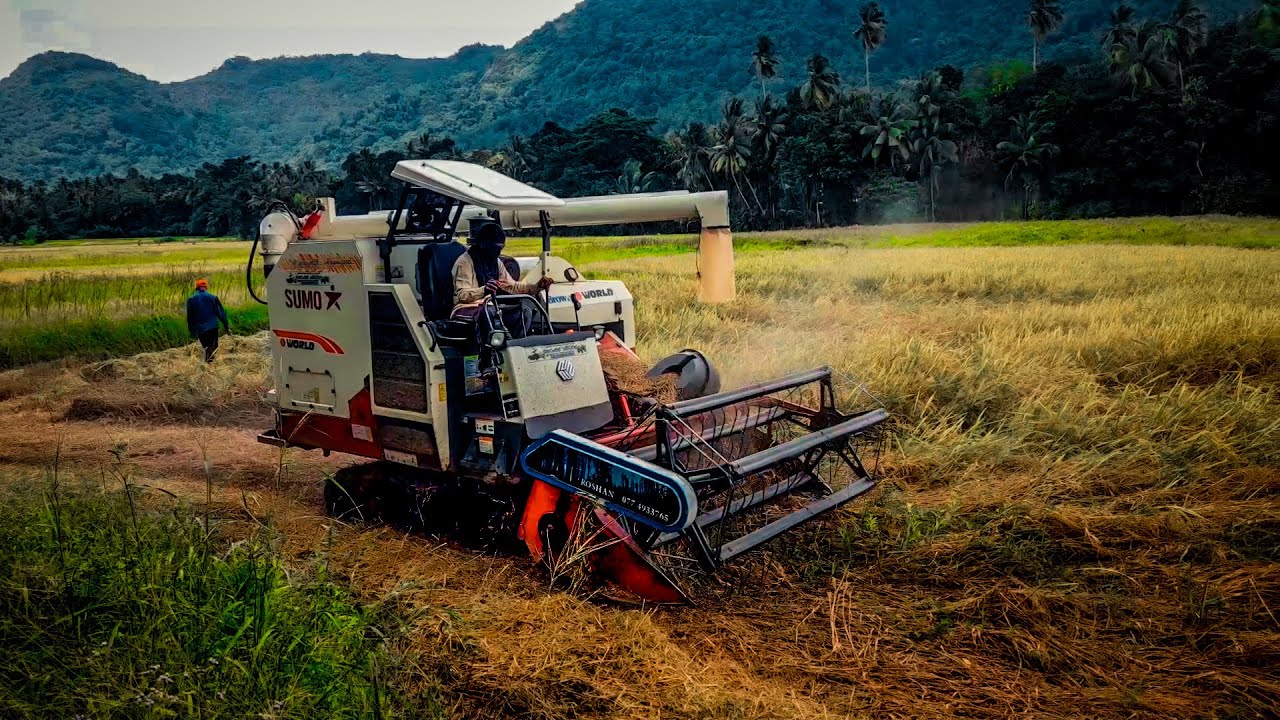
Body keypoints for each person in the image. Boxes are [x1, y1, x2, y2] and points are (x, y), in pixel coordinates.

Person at [452, 220, 552, 339]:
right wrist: (484, 290)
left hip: (492, 307)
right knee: (490, 313)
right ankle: (492, 350)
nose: (499, 251)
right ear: (484, 245)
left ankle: (514, 345)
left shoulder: (496, 262)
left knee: (524, 311)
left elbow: (511, 286)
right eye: (496, 247)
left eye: (501, 247)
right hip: (467, 308)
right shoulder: (464, 262)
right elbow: (462, 295)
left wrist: (537, 286)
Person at [186, 278, 230, 362]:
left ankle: (208, 364)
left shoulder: (191, 300)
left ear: (197, 288)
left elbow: (190, 317)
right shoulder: (213, 298)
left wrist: (191, 331)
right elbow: (220, 313)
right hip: (213, 327)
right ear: (206, 287)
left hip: (200, 329)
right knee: (213, 346)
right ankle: (209, 363)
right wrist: (226, 326)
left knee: (206, 346)